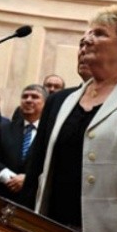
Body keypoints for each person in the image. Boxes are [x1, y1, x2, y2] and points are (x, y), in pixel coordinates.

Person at [34, 5, 117, 232]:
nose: (86, 39)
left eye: (99, 33)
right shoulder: (68, 99)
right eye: (87, 33)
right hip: (51, 230)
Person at [20, 28, 95, 208]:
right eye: (81, 45)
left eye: (90, 45)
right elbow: (38, 160)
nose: (83, 51)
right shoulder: (58, 100)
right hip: (52, 209)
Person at [0, 84, 47, 203]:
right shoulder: (3, 129)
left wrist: (28, 180)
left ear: (45, 104)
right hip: (0, 194)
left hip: (32, 199)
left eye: (34, 97)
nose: (28, 100)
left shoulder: (49, 133)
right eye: (25, 97)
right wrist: (9, 178)